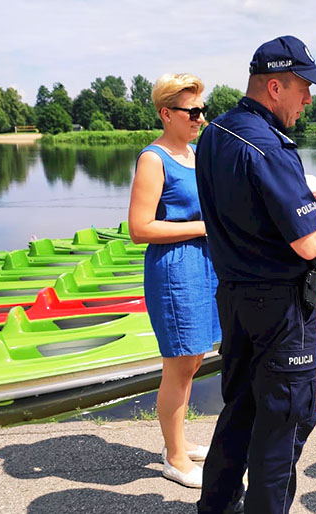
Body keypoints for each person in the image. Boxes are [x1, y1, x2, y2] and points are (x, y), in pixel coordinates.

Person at [194, 35, 316, 514]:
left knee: (239, 411)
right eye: (303, 88)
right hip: (279, 309)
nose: (309, 99)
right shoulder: (269, 146)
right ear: (274, 87)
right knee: (284, 424)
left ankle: (215, 507)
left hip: (233, 299)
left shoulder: (214, 133)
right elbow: (309, 242)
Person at [128, 73, 221, 489]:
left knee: (196, 357)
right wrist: (203, 227)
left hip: (205, 266)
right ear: (167, 114)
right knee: (179, 364)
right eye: (193, 111)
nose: (200, 117)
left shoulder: (198, 155)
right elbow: (139, 228)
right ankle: (175, 457)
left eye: (203, 109)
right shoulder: (154, 158)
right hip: (175, 269)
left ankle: (177, 441)